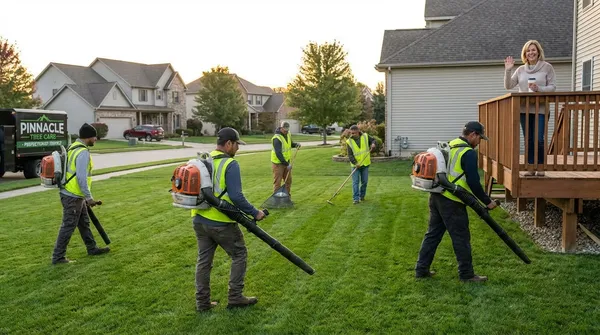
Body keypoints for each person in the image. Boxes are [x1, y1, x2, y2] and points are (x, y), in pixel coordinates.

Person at [192, 127, 266, 312]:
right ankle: (235, 297)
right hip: (221, 221)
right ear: (228, 144)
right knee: (239, 254)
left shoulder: (203, 160)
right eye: (236, 145)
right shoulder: (230, 164)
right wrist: (255, 212)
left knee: (204, 262)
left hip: (199, 220)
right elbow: (236, 197)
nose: (238, 149)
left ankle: (202, 303)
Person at [415, 121, 497, 282]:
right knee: (461, 238)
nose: (479, 142)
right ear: (473, 134)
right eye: (480, 138)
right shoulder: (468, 152)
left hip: (437, 196)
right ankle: (466, 275)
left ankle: (421, 269)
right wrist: (487, 202)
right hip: (453, 201)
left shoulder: (449, 145)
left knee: (432, 234)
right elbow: (473, 182)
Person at [51, 123, 110, 265]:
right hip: (73, 195)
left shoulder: (72, 147)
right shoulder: (83, 152)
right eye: (94, 136)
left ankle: (92, 248)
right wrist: (89, 198)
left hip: (73, 194)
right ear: (88, 137)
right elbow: (81, 178)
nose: (96, 139)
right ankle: (58, 257)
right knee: (68, 225)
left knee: (84, 223)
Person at [504, 39, 556, 176]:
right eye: (528, 50)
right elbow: (508, 85)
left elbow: (552, 87)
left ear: (538, 52)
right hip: (524, 109)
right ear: (525, 54)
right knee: (529, 139)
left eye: (533, 50)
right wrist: (508, 71)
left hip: (541, 109)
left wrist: (539, 88)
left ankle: (540, 167)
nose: (531, 52)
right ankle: (530, 167)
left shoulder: (547, 67)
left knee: (539, 138)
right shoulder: (521, 70)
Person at [346, 125, 376, 204]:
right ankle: (356, 199)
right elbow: (350, 155)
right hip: (355, 166)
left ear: (358, 131)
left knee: (364, 182)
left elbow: (373, 140)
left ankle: (362, 196)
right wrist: (355, 163)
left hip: (365, 164)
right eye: (351, 133)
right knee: (355, 182)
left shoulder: (365, 136)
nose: (352, 135)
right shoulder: (349, 142)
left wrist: (373, 144)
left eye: (354, 133)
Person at [271, 121, 300, 195]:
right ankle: (276, 200)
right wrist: (287, 164)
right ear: (281, 128)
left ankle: (287, 199)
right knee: (277, 182)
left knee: (288, 181)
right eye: (284, 130)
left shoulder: (288, 134)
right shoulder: (277, 138)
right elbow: (278, 153)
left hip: (286, 162)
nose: (286, 131)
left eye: (287, 130)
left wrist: (296, 144)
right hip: (278, 164)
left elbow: (290, 144)